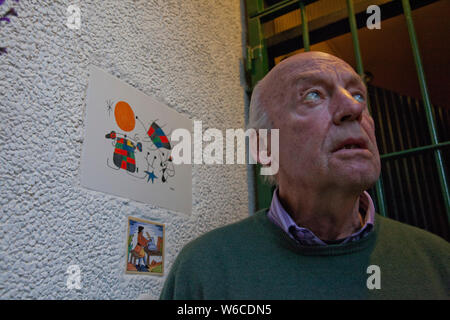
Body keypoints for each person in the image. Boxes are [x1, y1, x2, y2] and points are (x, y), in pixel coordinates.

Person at [160, 52, 449, 299]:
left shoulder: (439, 262)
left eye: (358, 94)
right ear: (263, 146)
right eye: (313, 95)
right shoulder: (203, 270)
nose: (354, 107)